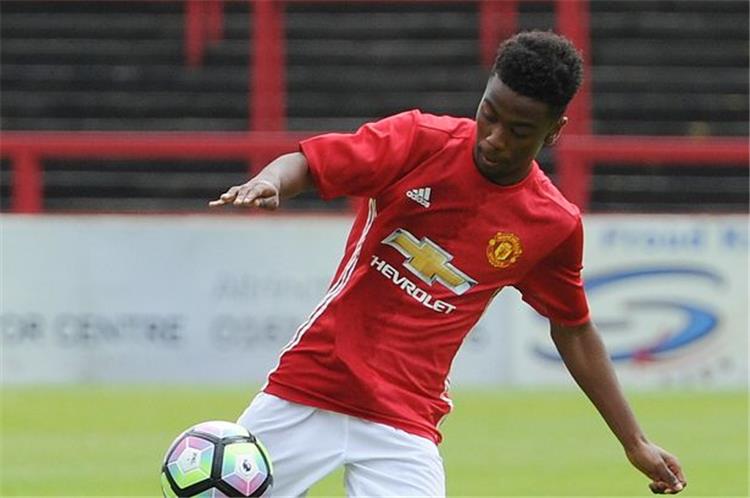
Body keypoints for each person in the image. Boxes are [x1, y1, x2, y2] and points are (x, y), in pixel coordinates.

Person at [210, 31, 687, 497]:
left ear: (554, 131)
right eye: (489, 114)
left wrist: (635, 441)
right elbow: (312, 162)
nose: (495, 139)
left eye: (519, 131)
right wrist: (272, 181)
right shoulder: (421, 140)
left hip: (405, 422)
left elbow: (575, 330)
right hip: (311, 385)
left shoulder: (552, 223)